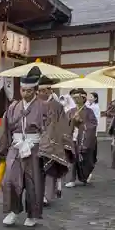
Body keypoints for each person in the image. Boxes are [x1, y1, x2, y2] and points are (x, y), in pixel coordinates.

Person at [0, 66, 47, 227]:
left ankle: (32, 214)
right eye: (23, 90)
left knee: (33, 181)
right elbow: (5, 129)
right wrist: (0, 148)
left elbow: (48, 130)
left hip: (34, 147)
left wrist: (44, 148)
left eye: (29, 91)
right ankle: (14, 211)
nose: (25, 94)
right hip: (15, 146)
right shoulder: (13, 107)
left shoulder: (43, 107)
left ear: (35, 90)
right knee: (9, 180)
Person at [36, 76, 73, 206]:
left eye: (44, 91)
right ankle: (38, 194)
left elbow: (62, 124)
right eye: (39, 91)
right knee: (37, 169)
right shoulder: (36, 104)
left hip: (53, 141)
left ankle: (47, 195)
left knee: (49, 167)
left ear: (49, 90)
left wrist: (59, 139)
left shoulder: (57, 106)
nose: (41, 93)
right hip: (36, 140)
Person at [64, 88, 98, 187]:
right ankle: (71, 179)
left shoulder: (89, 111)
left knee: (85, 159)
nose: (75, 100)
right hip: (73, 138)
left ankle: (85, 176)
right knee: (71, 158)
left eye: (77, 97)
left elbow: (93, 125)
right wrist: (72, 121)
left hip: (83, 138)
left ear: (83, 98)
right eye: (74, 98)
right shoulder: (71, 111)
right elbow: (65, 123)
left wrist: (81, 121)